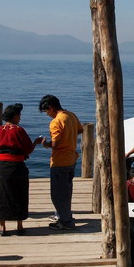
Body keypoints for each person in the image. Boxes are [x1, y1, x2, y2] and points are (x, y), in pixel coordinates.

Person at [0, 104, 44, 236]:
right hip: (16, 166)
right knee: (19, 194)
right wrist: (35, 142)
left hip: (0, 166)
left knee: (1, 195)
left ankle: (2, 227)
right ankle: (19, 226)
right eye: (19, 115)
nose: (20, 117)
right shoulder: (19, 130)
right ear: (15, 116)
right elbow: (28, 149)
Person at [39, 94, 83, 230]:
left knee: (58, 194)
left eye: (46, 111)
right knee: (67, 191)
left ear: (51, 108)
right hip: (71, 159)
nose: (47, 114)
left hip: (60, 161)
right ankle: (65, 216)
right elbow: (80, 130)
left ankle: (66, 222)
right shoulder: (70, 115)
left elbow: (56, 144)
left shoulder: (56, 121)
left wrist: (45, 144)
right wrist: (69, 136)